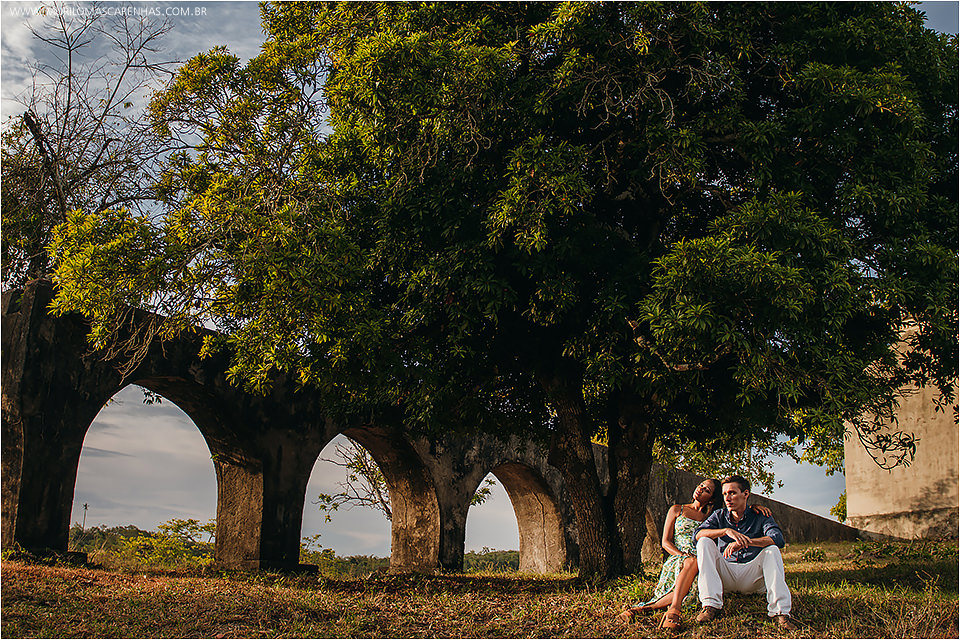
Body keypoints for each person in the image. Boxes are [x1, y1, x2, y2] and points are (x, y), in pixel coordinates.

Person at [619, 478, 771, 630]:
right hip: (680, 557)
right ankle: (673, 610)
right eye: (701, 485)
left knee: (696, 579)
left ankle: (642, 610)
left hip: (703, 560)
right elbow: (665, 542)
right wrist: (683, 555)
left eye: (707, 490)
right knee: (691, 563)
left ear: (712, 499)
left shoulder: (712, 518)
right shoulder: (677, 509)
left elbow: (737, 512)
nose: (700, 489)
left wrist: (753, 507)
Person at [693, 474, 797, 631]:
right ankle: (710, 605)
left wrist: (744, 543)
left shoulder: (760, 515)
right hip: (726, 575)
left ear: (746, 494)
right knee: (704, 542)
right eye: (725, 494)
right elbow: (697, 534)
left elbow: (778, 538)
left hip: (752, 577)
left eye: (732, 493)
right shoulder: (719, 515)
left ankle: (780, 613)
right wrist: (725, 531)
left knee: (772, 550)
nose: (727, 498)